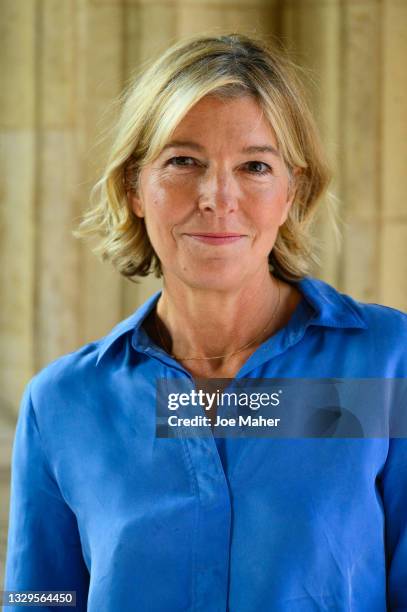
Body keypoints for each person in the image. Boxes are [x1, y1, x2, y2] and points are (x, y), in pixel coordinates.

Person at [3, 31, 407, 612]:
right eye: (183, 161)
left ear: (293, 191)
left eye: (255, 166)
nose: (218, 196)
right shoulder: (64, 404)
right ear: (133, 187)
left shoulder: (384, 366)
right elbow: (40, 599)